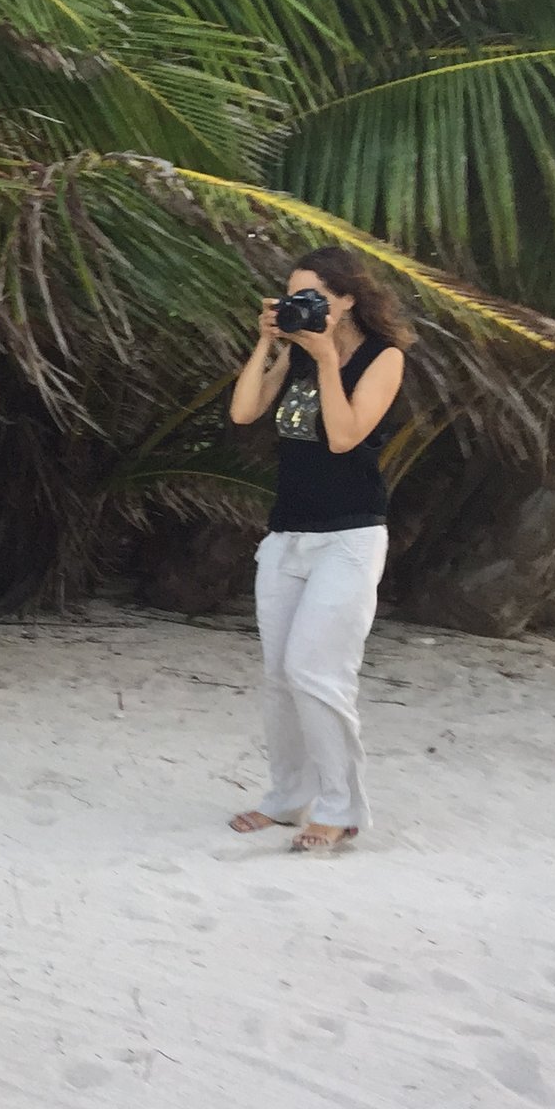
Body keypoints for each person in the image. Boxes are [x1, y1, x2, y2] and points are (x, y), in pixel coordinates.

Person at [224, 246, 412, 854]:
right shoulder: (297, 354)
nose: (304, 307)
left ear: (349, 298)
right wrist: (271, 344)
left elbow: (344, 437)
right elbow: (244, 409)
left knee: (318, 671)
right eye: (294, 297)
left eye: (316, 298)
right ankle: (284, 798)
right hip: (287, 534)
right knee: (280, 676)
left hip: (350, 537)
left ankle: (340, 808)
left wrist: (327, 359)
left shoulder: (384, 358)